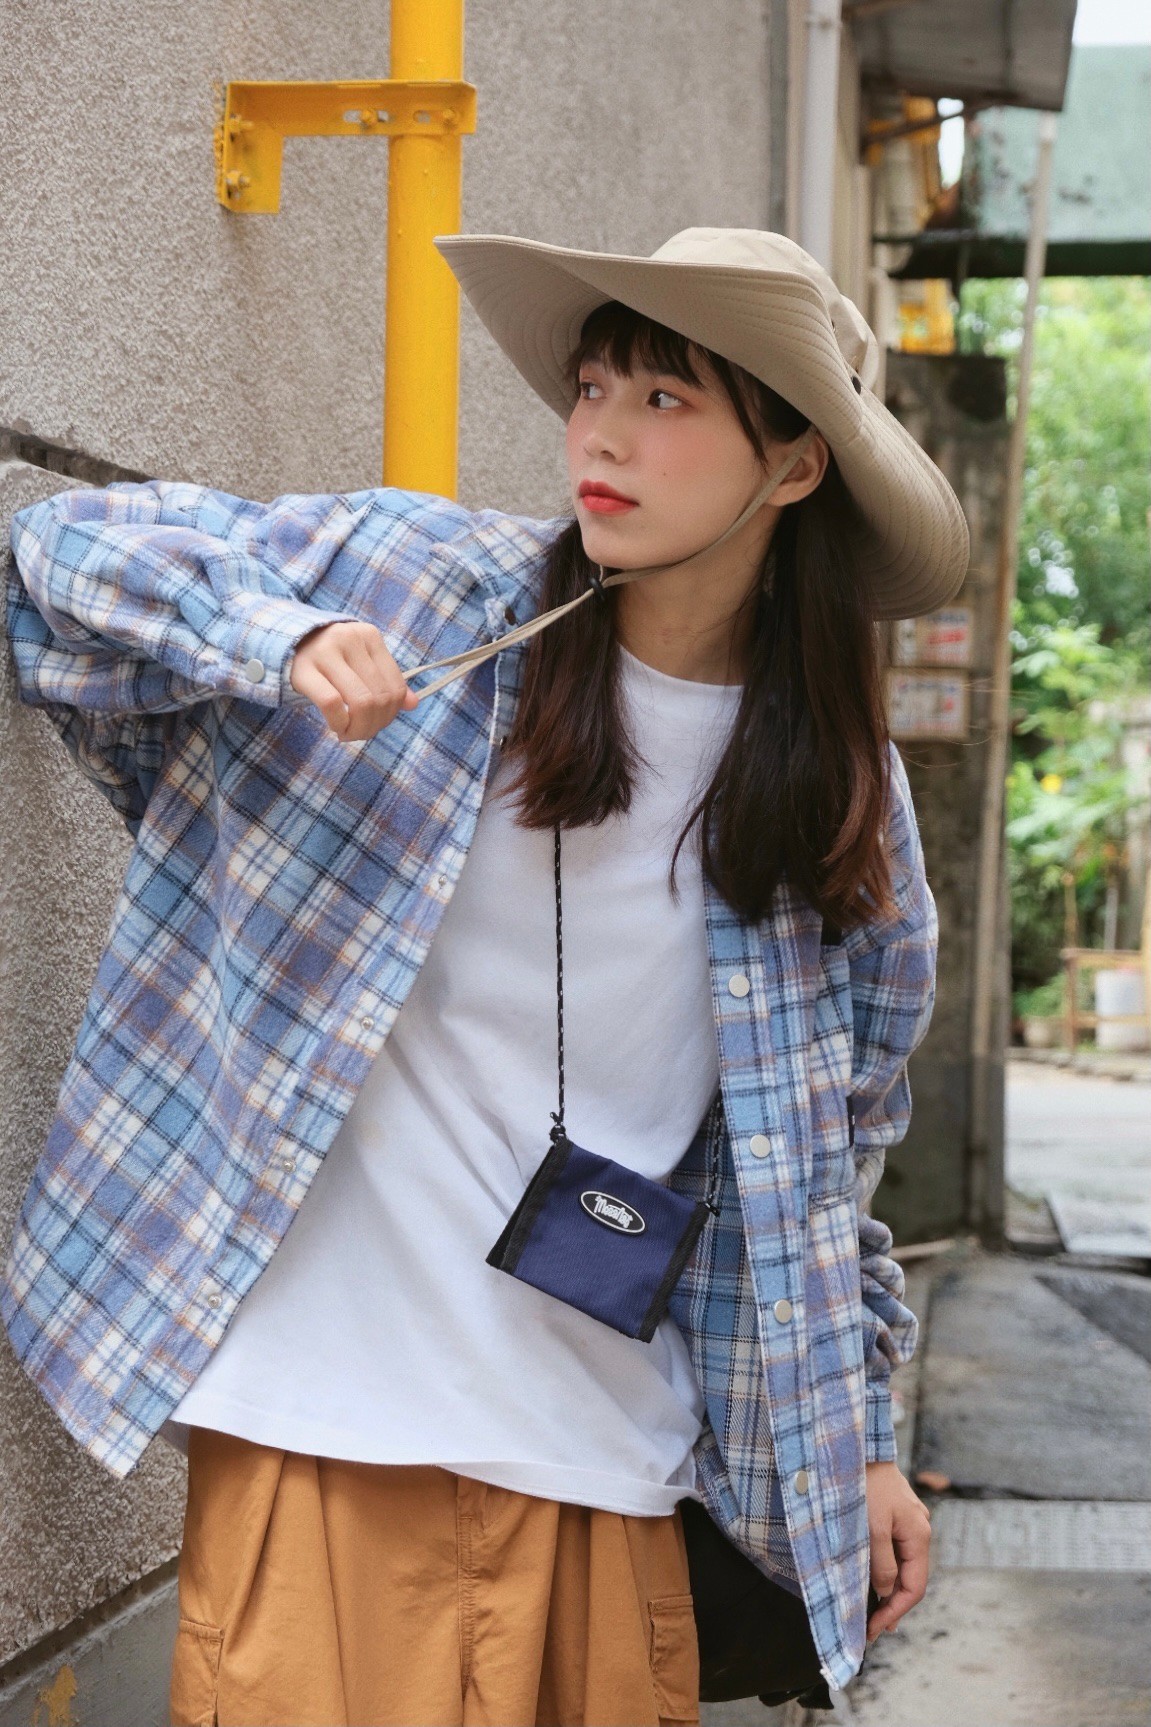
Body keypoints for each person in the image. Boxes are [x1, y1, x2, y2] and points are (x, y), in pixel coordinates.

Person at [2, 227, 965, 1727]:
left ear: (793, 467)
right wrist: (279, 635)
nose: (602, 436)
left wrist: (870, 1442)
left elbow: (837, 1162)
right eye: (594, 388)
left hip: (606, 1459)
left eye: (665, 400)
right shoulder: (430, 591)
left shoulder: (839, 793)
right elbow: (57, 552)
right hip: (322, 1416)